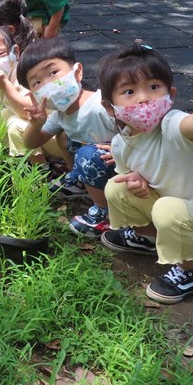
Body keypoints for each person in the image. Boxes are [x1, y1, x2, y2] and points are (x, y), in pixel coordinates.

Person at [98, 43, 193, 304]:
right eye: (129, 91)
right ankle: (146, 238)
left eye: (153, 87)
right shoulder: (121, 144)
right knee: (116, 187)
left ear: (171, 94)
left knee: (168, 208)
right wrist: (137, 182)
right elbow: (131, 177)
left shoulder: (173, 126)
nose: (144, 98)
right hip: (176, 212)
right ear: (111, 107)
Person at [20, 39, 117, 238]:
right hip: (97, 164)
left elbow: (136, 134)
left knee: (86, 153)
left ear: (77, 72)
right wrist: (36, 124)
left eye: (53, 73)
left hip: (121, 167)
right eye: (37, 82)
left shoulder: (101, 106)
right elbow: (31, 143)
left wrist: (124, 152)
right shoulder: (61, 115)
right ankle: (80, 179)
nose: (48, 84)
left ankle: (105, 213)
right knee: (64, 137)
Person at [0, 26, 70, 168]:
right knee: (2, 116)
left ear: (15, 52)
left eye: (0, 54)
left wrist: (4, 85)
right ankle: (16, 158)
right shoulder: (1, 79)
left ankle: (40, 169)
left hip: (57, 138)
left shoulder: (21, 74)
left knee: (14, 126)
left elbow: (27, 111)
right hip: (42, 134)